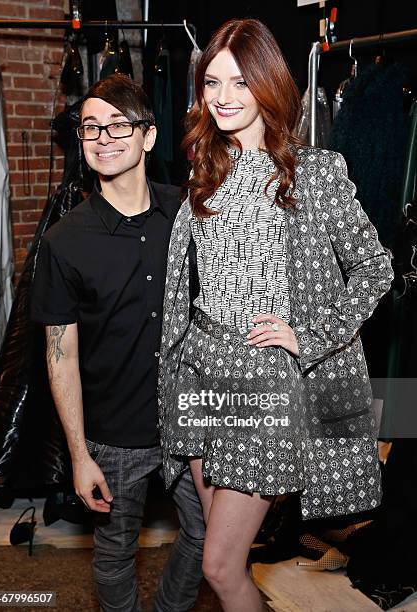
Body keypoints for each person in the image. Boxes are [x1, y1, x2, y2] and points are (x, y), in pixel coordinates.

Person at [158, 18, 394, 612]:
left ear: (268, 85)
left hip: (264, 382)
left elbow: (375, 269)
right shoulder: (202, 174)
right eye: (212, 83)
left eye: (239, 82)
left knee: (219, 565)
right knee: (214, 547)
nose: (223, 98)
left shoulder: (314, 173)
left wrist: (308, 335)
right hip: (201, 372)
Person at [30, 74, 205, 612]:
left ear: (148, 136)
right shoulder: (64, 241)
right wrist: (79, 455)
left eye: (117, 125)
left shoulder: (190, 215)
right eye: (90, 129)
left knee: (207, 539)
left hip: (190, 422)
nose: (104, 138)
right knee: (114, 553)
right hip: (114, 436)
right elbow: (60, 357)